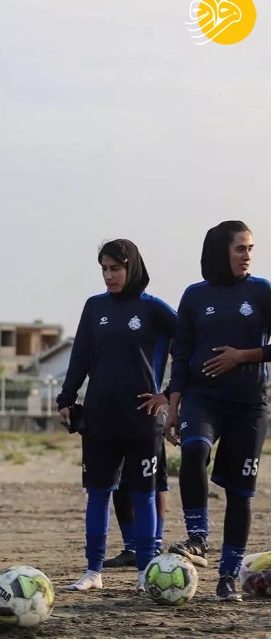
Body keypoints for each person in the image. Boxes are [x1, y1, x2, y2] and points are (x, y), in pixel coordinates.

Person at [56, 239, 177, 593]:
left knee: (143, 495)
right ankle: (93, 571)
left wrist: (169, 394)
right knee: (97, 493)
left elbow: (190, 343)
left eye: (116, 268)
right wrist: (66, 398)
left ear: (132, 267)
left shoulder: (154, 309)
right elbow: (79, 356)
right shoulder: (95, 308)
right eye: (104, 269)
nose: (109, 276)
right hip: (99, 417)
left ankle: (145, 572)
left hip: (142, 417)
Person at [165, 221, 270, 601]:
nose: (247, 256)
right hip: (202, 397)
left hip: (249, 405)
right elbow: (180, 353)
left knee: (240, 494)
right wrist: (173, 403)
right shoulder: (194, 296)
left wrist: (243, 356)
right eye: (240, 248)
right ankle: (198, 538)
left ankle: (227, 578)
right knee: (193, 451)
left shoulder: (261, 291)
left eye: (251, 248)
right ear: (220, 251)